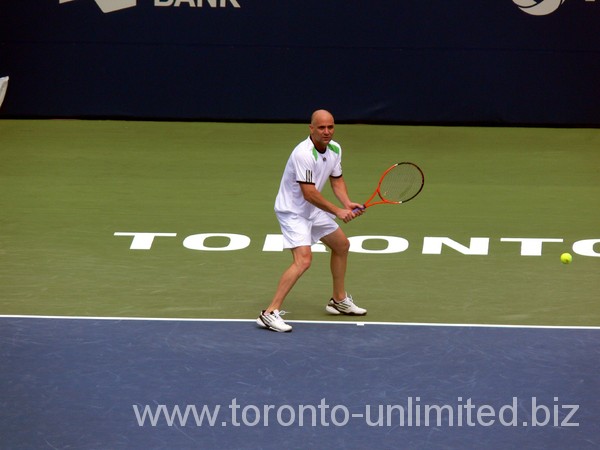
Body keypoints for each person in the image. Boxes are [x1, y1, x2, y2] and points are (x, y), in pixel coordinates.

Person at [256, 109, 367, 332]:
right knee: (303, 260)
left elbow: (337, 180)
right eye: (321, 128)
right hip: (293, 211)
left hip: (313, 209)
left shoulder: (335, 148)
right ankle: (269, 313)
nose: (327, 132)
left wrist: (346, 203)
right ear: (311, 129)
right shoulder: (303, 154)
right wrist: (337, 211)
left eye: (331, 127)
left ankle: (338, 300)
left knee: (341, 245)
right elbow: (309, 193)